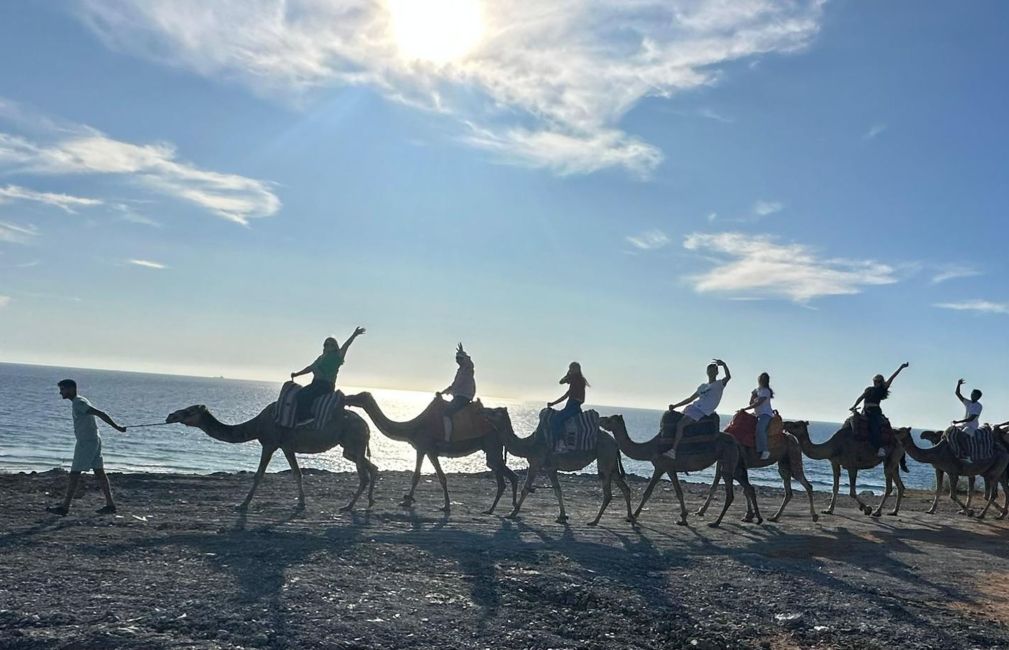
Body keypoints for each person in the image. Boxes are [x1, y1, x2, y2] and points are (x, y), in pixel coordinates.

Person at [46, 379, 126, 517]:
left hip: (86, 443)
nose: (60, 393)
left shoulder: (79, 403)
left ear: (71, 389)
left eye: (63, 389)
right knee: (100, 473)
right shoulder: (81, 400)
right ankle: (110, 505)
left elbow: (101, 413)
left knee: (74, 474)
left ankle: (64, 507)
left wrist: (117, 427)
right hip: (94, 440)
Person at [290, 327, 365, 422]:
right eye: (326, 344)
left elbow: (346, 345)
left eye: (331, 344)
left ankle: (307, 418)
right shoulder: (320, 358)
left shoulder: (337, 356)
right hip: (315, 383)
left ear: (335, 346)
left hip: (326, 385)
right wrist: (297, 374)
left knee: (306, 396)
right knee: (300, 394)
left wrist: (354, 335)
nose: (328, 346)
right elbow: (310, 368)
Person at [667, 359, 732, 460]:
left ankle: (673, 451)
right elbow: (690, 399)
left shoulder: (720, 384)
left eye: (714, 370)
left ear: (717, 372)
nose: (711, 372)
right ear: (707, 372)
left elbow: (728, 377)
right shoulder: (703, 386)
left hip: (701, 411)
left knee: (680, 425)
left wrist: (724, 364)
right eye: (710, 370)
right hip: (693, 408)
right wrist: (675, 406)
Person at [849, 362, 909, 458]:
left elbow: (892, 378)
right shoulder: (869, 389)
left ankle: (879, 448)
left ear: (881, 382)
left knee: (875, 428)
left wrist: (901, 368)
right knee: (852, 422)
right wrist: (854, 406)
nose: (875, 382)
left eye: (878, 381)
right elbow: (861, 397)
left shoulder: (882, 389)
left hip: (875, 412)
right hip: (865, 411)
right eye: (874, 381)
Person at [437, 343, 476, 440]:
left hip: (463, 397)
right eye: (456, 358)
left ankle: (447, 439)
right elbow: (454, 385)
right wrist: (443, 392)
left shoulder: (467, 369)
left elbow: (469, 363)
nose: (457, 360)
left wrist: (463, 353)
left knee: (446, 413)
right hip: (458, 396)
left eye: (459, 358)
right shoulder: (460, 371)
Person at [546, 362, 589, 441]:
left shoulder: (576, 380)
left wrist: (568, 374)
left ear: (575, 370)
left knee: (556, 420)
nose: (570, 370)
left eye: (571, 369)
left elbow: (561, 382)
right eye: (569, 369)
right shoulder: (578, 381)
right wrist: (553, 403)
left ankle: (560, 442)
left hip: (573, 407)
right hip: (573, 406)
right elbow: (565, 395)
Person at [740, 372, 774, 460]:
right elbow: (751, 403)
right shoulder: (758, 390)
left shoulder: (766, 391)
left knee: (760, 429)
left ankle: (765, 450)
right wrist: (752, 395)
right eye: (761, 378)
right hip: (757, 414)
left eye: (764, 378)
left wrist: (745, 409)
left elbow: (758, 403)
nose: (761, 380)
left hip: (765, 414)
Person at [949, 379, 983, 463]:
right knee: (950, 432)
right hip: (964, 425)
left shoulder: (978, 406)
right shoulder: (968, 402)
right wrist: (958, 384)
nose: (972, 395)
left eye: (974, 395)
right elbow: (957, 394)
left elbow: (971, 419)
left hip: (971, 426)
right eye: (972, 394)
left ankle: (967, 454)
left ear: (978, 397)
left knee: (961, 435)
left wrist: (958, 422)